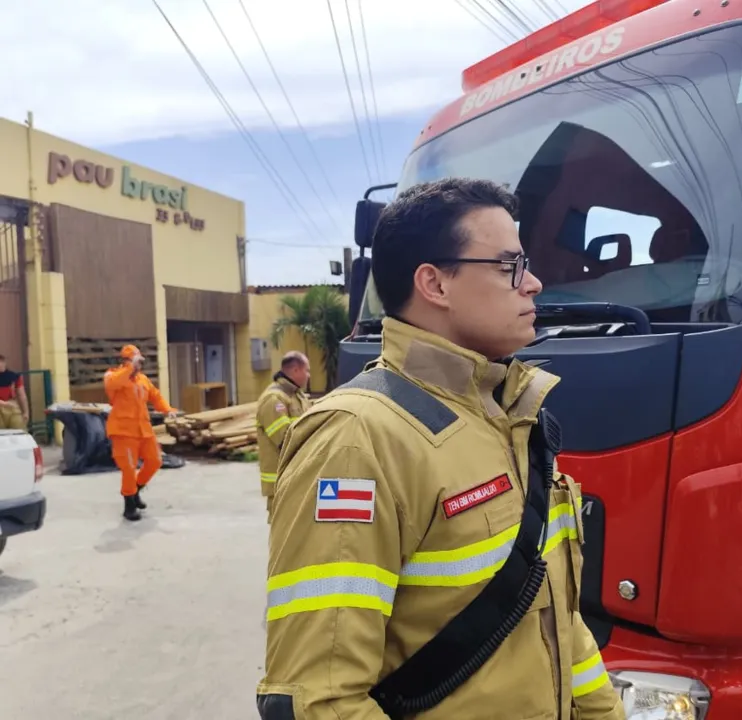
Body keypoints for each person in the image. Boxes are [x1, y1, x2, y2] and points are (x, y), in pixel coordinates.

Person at [256, 178, 625, 720]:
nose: (535, 284)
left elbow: (557, 625)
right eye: (510, 267)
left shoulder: (510, 417)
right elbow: (319, 701)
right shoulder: (358, 438)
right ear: (434, 283)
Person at [103, 345, 178, 521]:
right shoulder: (113, 375)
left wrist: (167, 409)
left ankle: (136, 489)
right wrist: (130, 368)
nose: (139, 365)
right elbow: (113, 384)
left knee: (155, 461)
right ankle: (129, 504)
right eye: (136, 361)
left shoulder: (143, 380)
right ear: (126, 361)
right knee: (128, 468)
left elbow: (155, 396)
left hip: (144, 430)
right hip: (123, 432)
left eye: (140, 361)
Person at [255, 351, 311, 523]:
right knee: (282, 532)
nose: (308, 375)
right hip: (281, 482)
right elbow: (286, 441)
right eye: (306, 370)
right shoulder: (274, 399)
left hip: (297, 478)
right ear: (295, 370)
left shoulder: (297, 396)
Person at [0, 354, 29, 430]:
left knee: (19, 431)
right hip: (4, 405)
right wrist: (4, 403)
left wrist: (26, 412)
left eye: (2, 361)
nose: (1, 364)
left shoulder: (14, 376)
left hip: (12, 407)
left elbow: (22, 395)